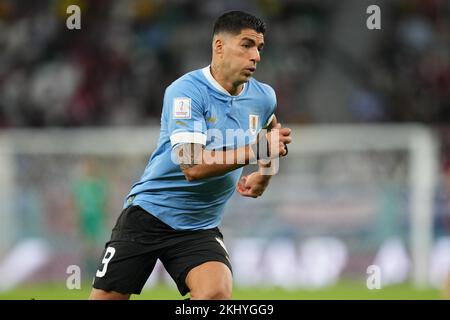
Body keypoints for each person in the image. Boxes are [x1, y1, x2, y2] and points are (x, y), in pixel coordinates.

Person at [89, 10, 292, 300]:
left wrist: (264, 176)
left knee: (216, 294)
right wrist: (258, 151)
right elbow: (193, 166)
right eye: (246, 45)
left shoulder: (263, 97)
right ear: (219, 46)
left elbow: (272, 134)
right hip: (149, 215)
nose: (256, 56)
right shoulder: (186, 92)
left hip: (199, 225)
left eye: (259, 48)